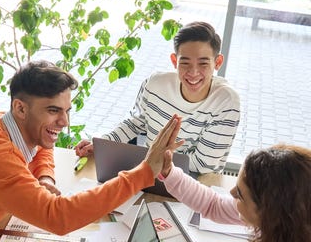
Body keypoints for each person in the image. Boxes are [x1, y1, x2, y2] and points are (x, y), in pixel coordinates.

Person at [0, 60, 184, 242]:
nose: (64, 121)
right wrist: (143, 173)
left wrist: (44, 176)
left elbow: (41, 145)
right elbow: (59, 218)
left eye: (67, 110)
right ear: (20, 108)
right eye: (53, 111)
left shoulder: (2, 123)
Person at [75, 21, 240, 174]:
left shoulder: (226, 101)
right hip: (149, 174)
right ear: (174, 61)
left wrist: (152, 159)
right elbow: (135, 124)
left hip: (193, 184)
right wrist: (102, 144)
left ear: (217, 63)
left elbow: (203, 166)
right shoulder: (154, 84)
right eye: (185, 63)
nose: (194, 72)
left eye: (203, 63)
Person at [159, 144, 311, 242]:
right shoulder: (287, 225)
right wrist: (170, 173)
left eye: (240, 195)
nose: (231, 193)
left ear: (268, 212)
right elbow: (213, 204)